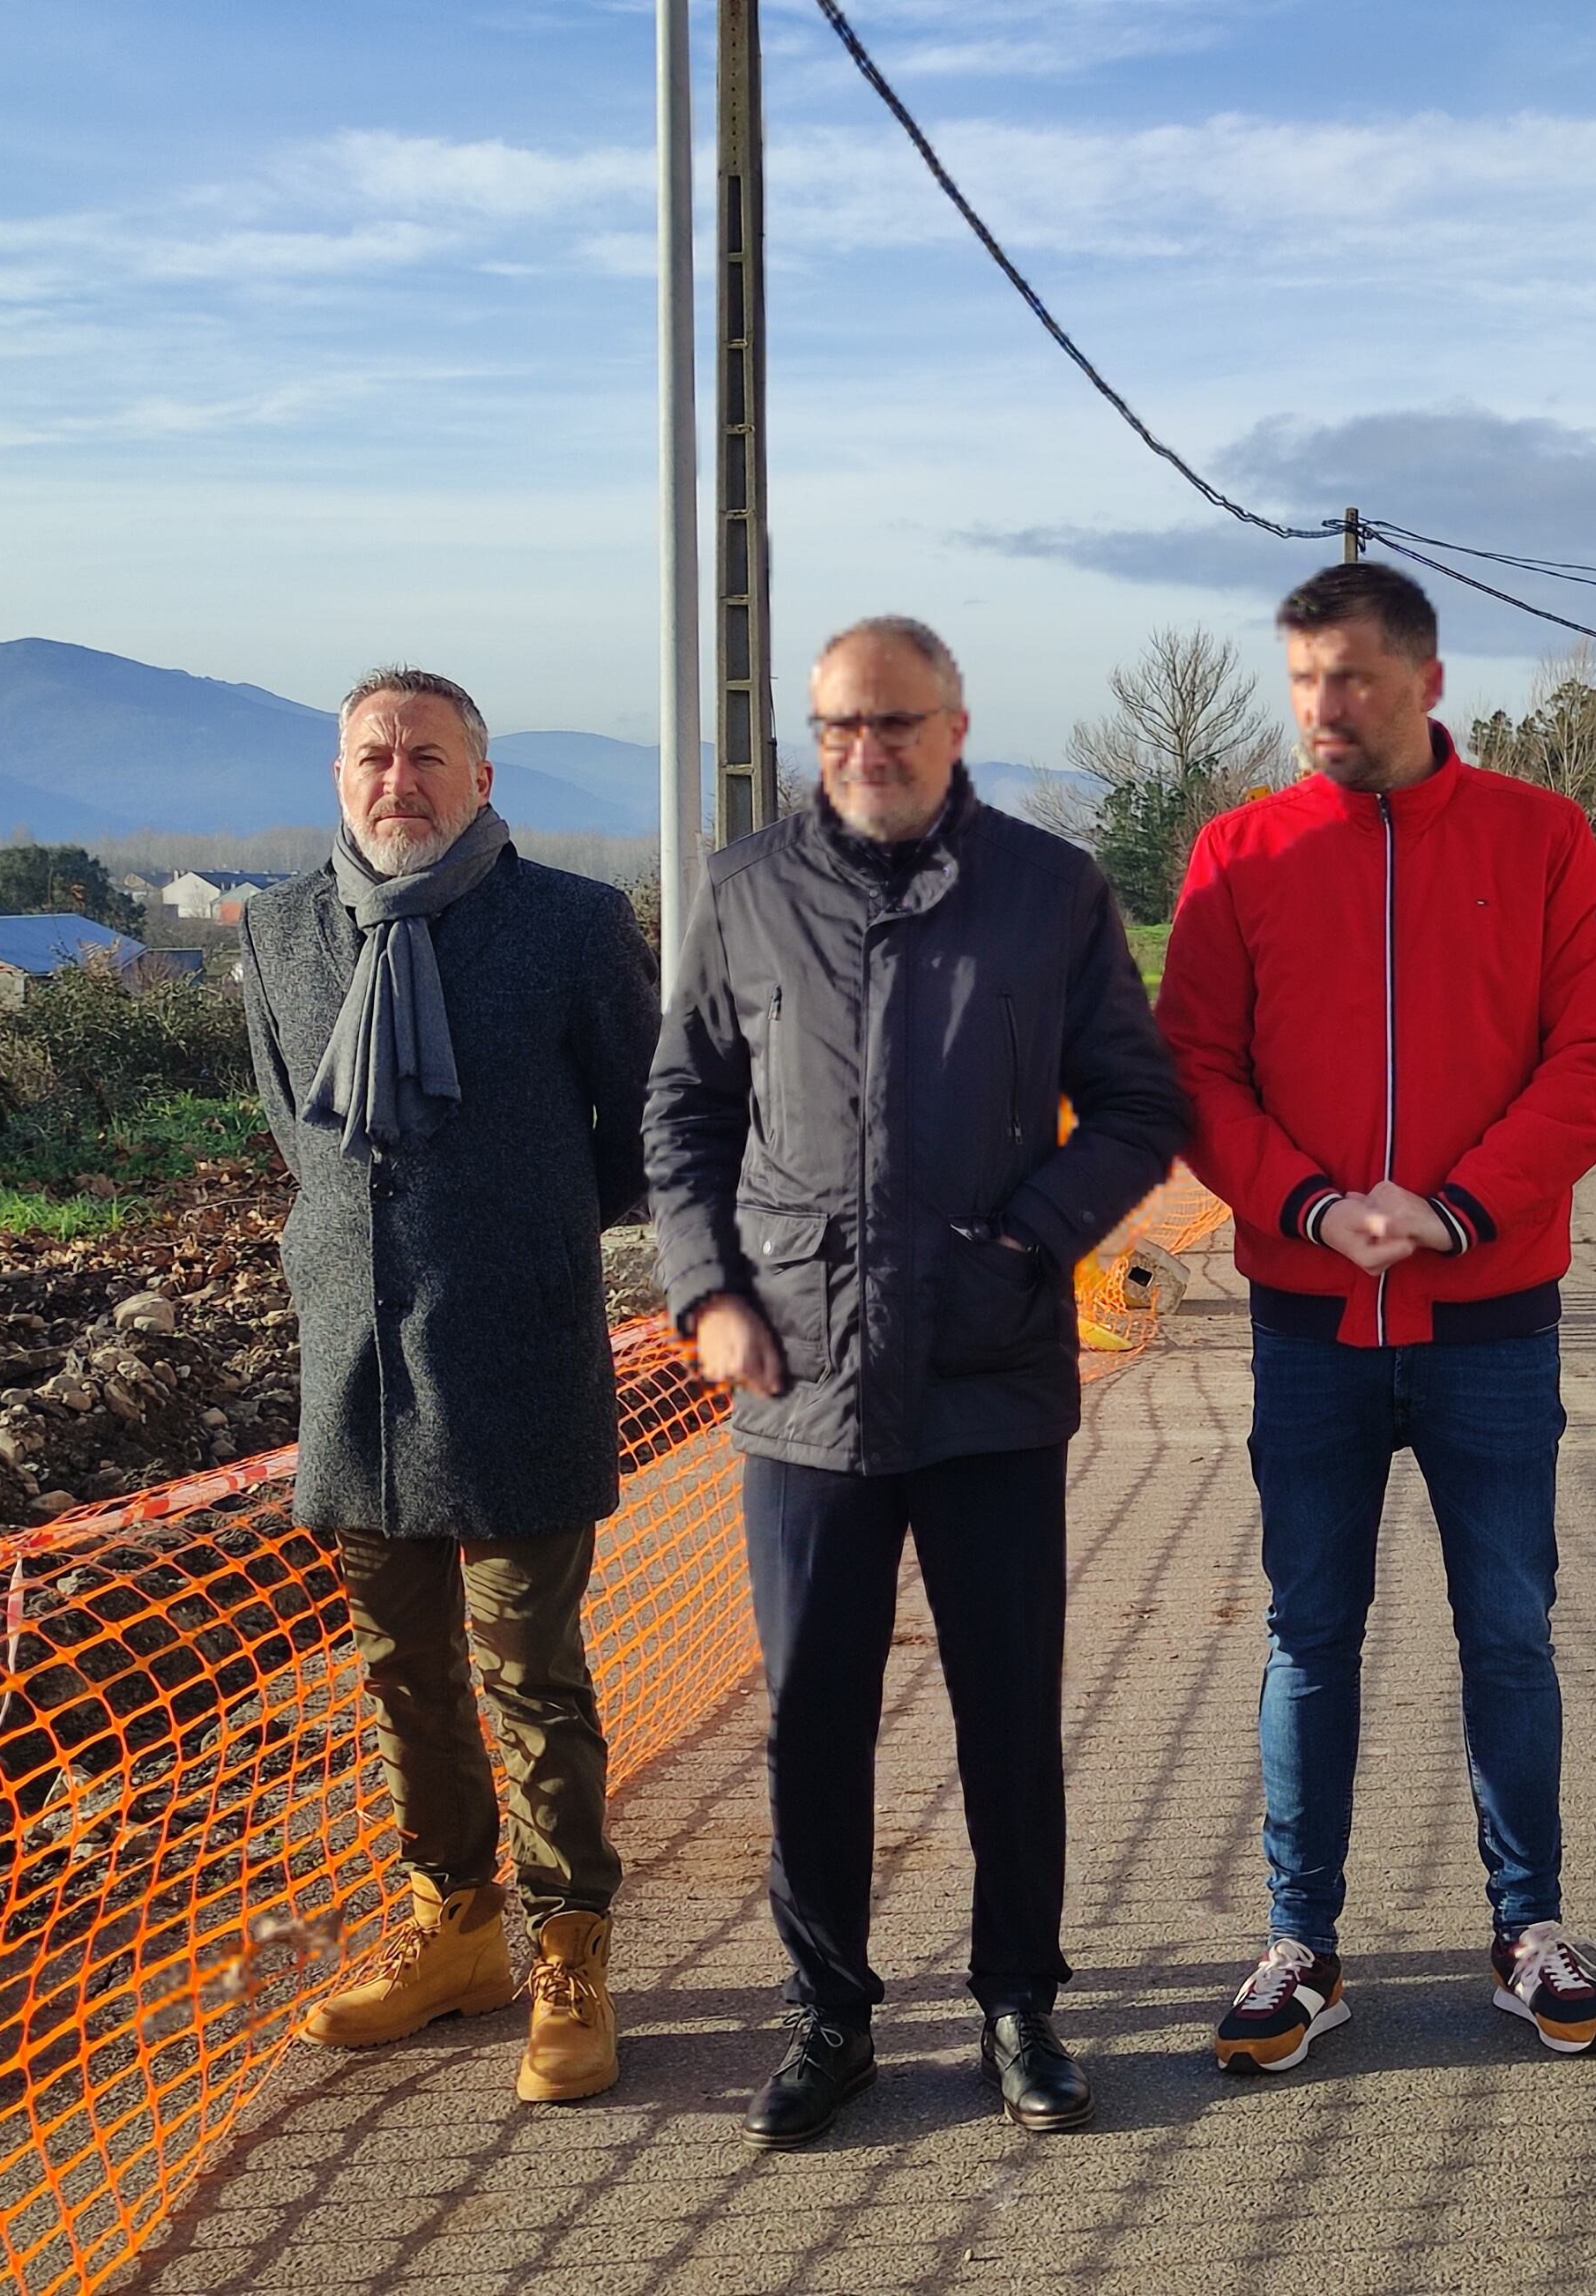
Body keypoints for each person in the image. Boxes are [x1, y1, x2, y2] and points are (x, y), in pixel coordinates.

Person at [644, 615, 1187, 2148]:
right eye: (833, 728)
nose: (861, 752)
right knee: (813, 1707)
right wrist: (706, 1292)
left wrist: (1031, 1238)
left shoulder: (1049, 890)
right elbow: (681, 1111)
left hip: (989, 1369)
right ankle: (831, 2012)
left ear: (955, 723)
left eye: (891, 723)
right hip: (802, 1379)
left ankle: (1019, 1996)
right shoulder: (745, 893)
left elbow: (1139, 1106)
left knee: (1004, 1704)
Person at [1156, 563, 1596, 2075]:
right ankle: (1299, 1939)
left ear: (1427, 680)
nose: (1322, 709)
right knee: (1309, 1633)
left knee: (1505, 1625)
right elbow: (1193, 1072)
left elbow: (1594, 1056)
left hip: (1491, 1314)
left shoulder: (1541, 836)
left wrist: (1454, 1208)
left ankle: (1528, 1926)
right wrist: (1310, 1205)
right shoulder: (1235, 853)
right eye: (1303, 679)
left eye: (1353, 678)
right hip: (1309, 1325)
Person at [242, 667, 657, 2106]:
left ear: (483, 781)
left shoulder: (571, 924)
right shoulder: (277, 928)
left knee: (529, 1674)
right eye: (373, 754)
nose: (397, 777)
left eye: (428, 755)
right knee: (400, 1675)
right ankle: (456, 1928)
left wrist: (516, 1230)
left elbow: (639, 1131)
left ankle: (569, 1950)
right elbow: (294, 1121)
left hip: (516, 1355)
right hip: (351, 1365)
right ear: (339, 776)